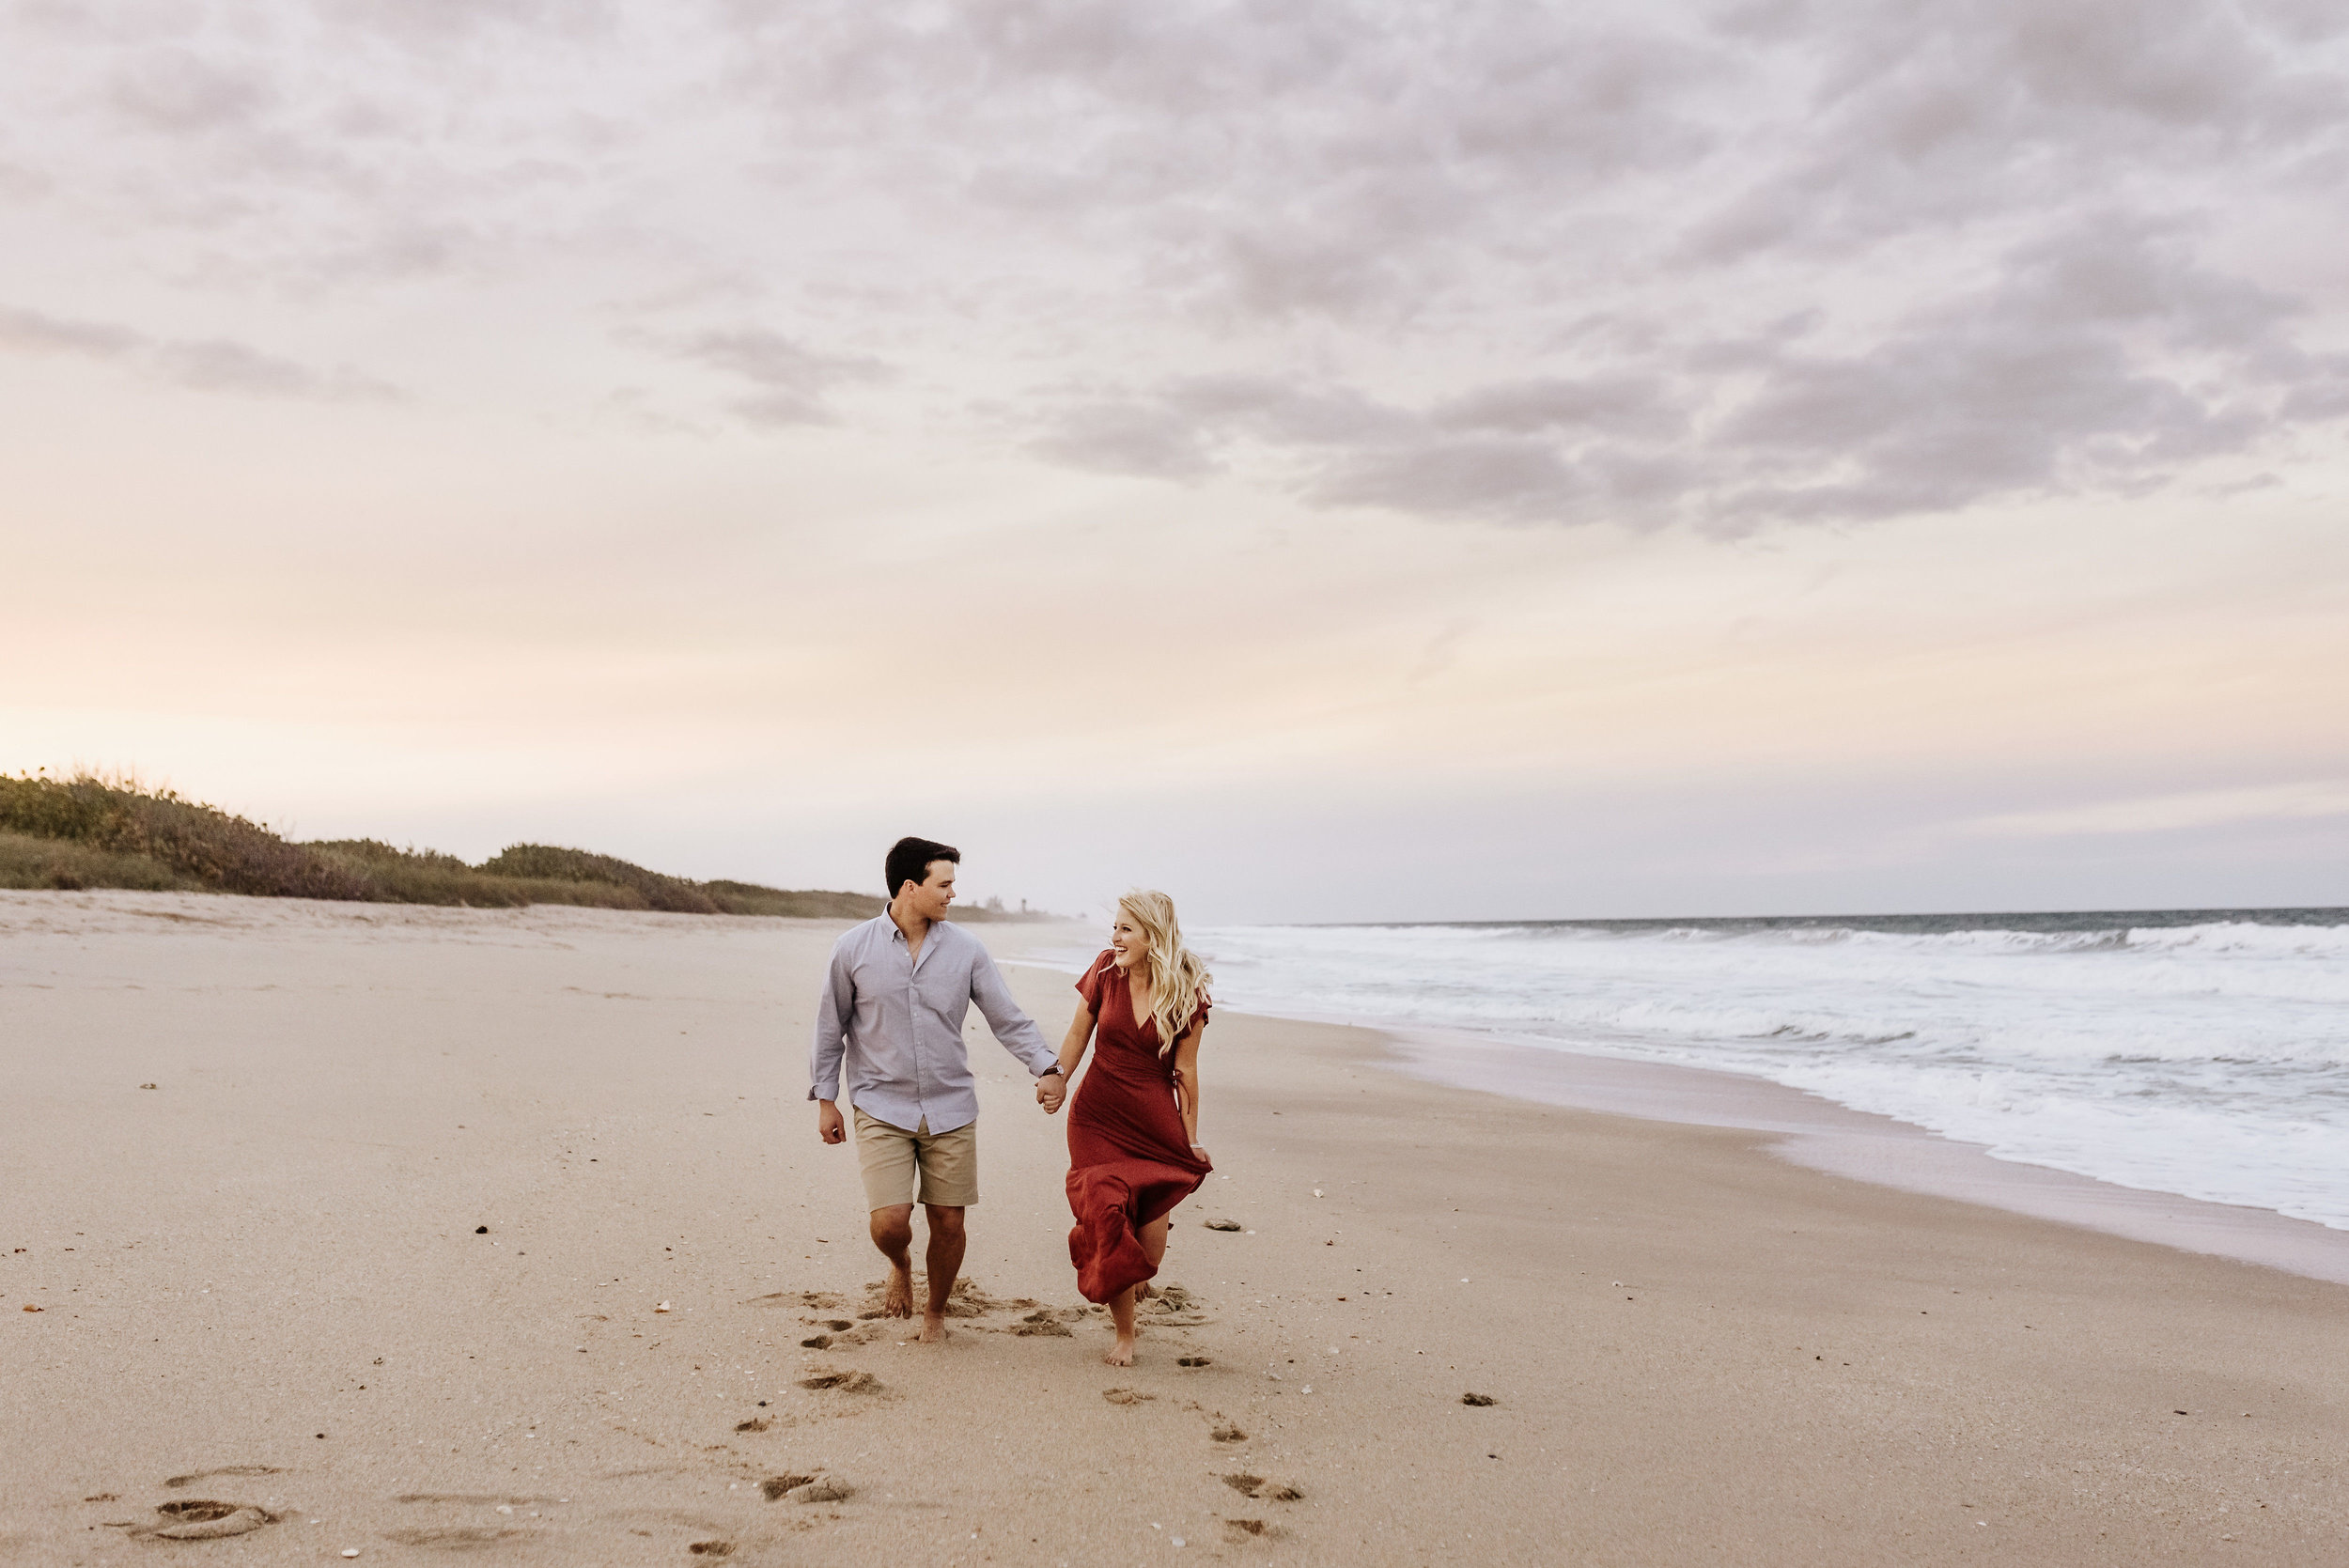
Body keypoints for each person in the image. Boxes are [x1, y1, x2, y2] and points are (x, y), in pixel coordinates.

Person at [810, 836, 1067, 1343]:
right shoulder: (852, 949)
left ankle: (936, 1312)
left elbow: (1007, 1018)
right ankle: (900, 1265)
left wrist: (1048, 1066)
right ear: (912, 886)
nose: (953, 894)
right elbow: (829, 1027)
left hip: (951, 1106)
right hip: (880, 1103)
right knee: (890, 1223)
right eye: (944, 884)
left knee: (949, 1222)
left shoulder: (967, 950)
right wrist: (825, 1100)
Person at [1042, 889, 1212, 1366]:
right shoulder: (1104, 971)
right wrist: (1058, 1078)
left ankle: (1134, 1272)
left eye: (1125, 929)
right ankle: (1125, 1335)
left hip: (1152, 1123)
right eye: (1114, 927)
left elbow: (1186, 1071)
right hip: (1096, 1116)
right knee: (1108, 1216)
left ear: (1152, 935)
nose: (1114, 937)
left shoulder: (1186, 992)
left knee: (1149, 1253)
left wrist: (1190, 1136)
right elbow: (1079, 1032)